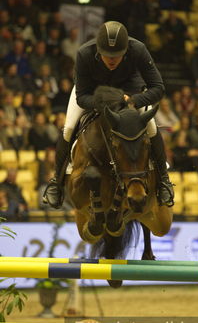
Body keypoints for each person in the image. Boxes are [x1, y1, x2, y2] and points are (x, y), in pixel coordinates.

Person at [43, 21, 174, 209]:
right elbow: (81, 97)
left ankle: (163, 181)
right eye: (107, 55)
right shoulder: (84, 53)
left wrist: (135, 100)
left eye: (117, 55)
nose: (111, 60)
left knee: (151, 127)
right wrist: (102, 103)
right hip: (93, 94)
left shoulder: (138, 49)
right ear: (98, 49)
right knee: (69, 127)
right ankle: (56, 182)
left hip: (130, 92)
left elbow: (158, 87)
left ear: (126, 49)